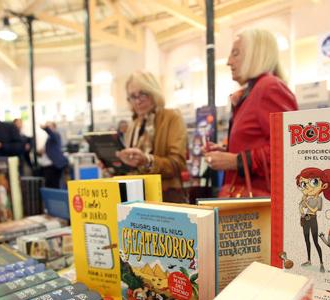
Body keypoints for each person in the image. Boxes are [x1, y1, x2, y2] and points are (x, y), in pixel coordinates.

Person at [204, 29, 298, 197]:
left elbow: (290, 149)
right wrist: (227, 150)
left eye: (236, 54)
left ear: (255, 55)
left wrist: (234, 161)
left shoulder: (269, 88)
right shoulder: (255, 91)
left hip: (259, 203)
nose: (228, 61)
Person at [116, 71, 188, 203]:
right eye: (133, 96)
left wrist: (147, 161)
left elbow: (177, 163)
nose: (138, 101)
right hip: (137, 198)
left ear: (153, 92)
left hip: (166, 199)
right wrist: (112, 163)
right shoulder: (134, 125)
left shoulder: (171, 118)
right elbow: (130, 168)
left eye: (143, 94)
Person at [295, 167, 330, 273]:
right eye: (303, 184)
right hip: (306, 219)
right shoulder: (307, 198)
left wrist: (307, 204)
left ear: (324, 186)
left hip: (313, 219)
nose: (307, 187)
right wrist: (302, 206)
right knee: (306, 241)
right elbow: (301, 208)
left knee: (315, 241)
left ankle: (321, 263)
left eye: (313, 182)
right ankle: (309, 260)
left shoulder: (319, 199)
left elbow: (315, 209)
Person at [41, 121, 68, 188]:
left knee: (55, 184)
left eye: (49, 126)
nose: (48, 127)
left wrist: (45, 128)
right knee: (50, 184)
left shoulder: (56, 135)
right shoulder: (49, 138)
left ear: (54, 127)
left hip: (55, 165)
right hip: (50, 165)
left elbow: (51, 133)